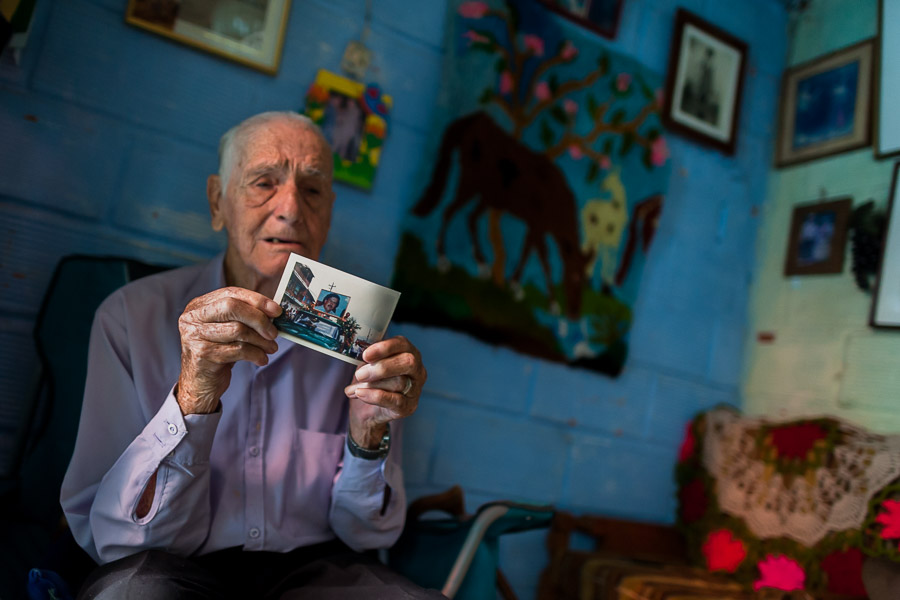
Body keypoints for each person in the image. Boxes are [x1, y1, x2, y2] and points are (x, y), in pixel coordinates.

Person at [60, 111, 438, 599]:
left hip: (312, 572)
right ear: (219, 201)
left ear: (328, 214)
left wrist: (369, 433)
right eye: (264, 182)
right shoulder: (130, 316)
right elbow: (113, 540)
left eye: (313, 191)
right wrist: (192, 395)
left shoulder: (366, 346)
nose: (291, 209)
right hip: (169, 565)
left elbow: (367, 535)